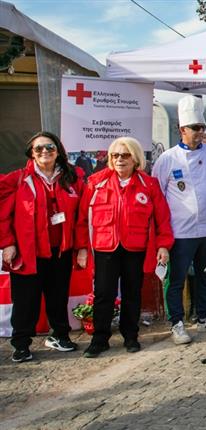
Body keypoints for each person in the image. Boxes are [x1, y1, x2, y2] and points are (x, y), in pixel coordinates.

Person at [76, 137, 173, 358]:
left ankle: (131, 336)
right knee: (103, 294)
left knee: (132, 294)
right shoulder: (95, 182)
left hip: (135, 248)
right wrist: (82, 247)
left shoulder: (149, 185)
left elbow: (163, 219)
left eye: (125, 155)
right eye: (115, 155)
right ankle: (100, 339)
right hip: (105, 248)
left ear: (135, 158)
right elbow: (82, 219)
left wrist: (164, 246)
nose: (120, 159)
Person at [151, 95, 206, 345]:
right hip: (180, 231)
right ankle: (177, 322)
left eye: (202, 128)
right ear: (181, 130)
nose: (200, 132)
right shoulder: (168, 159)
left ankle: (205, 314)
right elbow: (158, 196)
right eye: (195, 128)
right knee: (176, 279)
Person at [0, 132, 84, 362]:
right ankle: (21, 344)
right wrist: (7, 242)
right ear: (31, 153)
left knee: (58, 297)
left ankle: (59, 335)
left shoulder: (72, 178)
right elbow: (2, 214)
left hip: (60, 250)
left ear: (58, 150)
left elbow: (81, 215)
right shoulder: (18, 179)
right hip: (28, 253)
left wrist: (82, 247)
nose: (45, 152)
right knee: (26, 301)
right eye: (39, 149)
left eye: (50, 147)